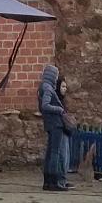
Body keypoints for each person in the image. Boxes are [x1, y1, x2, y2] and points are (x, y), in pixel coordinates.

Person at [38, 61, 74, 191]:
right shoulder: (48, 88)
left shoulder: (42, 87)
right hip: (56, 124)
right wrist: (59, 110)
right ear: (52, 75)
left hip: (49, 123)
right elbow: (45, 106)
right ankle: (53, 181)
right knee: (55, 153)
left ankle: (47, 181)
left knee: (50, 153)